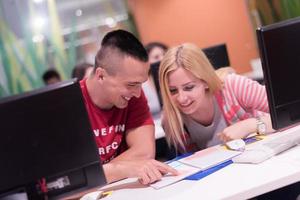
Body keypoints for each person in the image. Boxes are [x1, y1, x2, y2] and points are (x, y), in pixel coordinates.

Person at [80, 30, 178, 185]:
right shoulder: (69, 105)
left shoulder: (132, 95)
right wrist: (121, 170)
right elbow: (70, 183)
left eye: (141, 84)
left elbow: (144, 154)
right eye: (131, 84)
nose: (138, 94)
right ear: (101, 76)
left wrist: (95, 174)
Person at [159, 43, 273, 153]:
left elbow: (288, 113)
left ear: (206, 81)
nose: (181, 98)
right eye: (172, 90)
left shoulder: (233, 86)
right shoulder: (170, 118)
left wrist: (250, 125)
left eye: (189, 87)